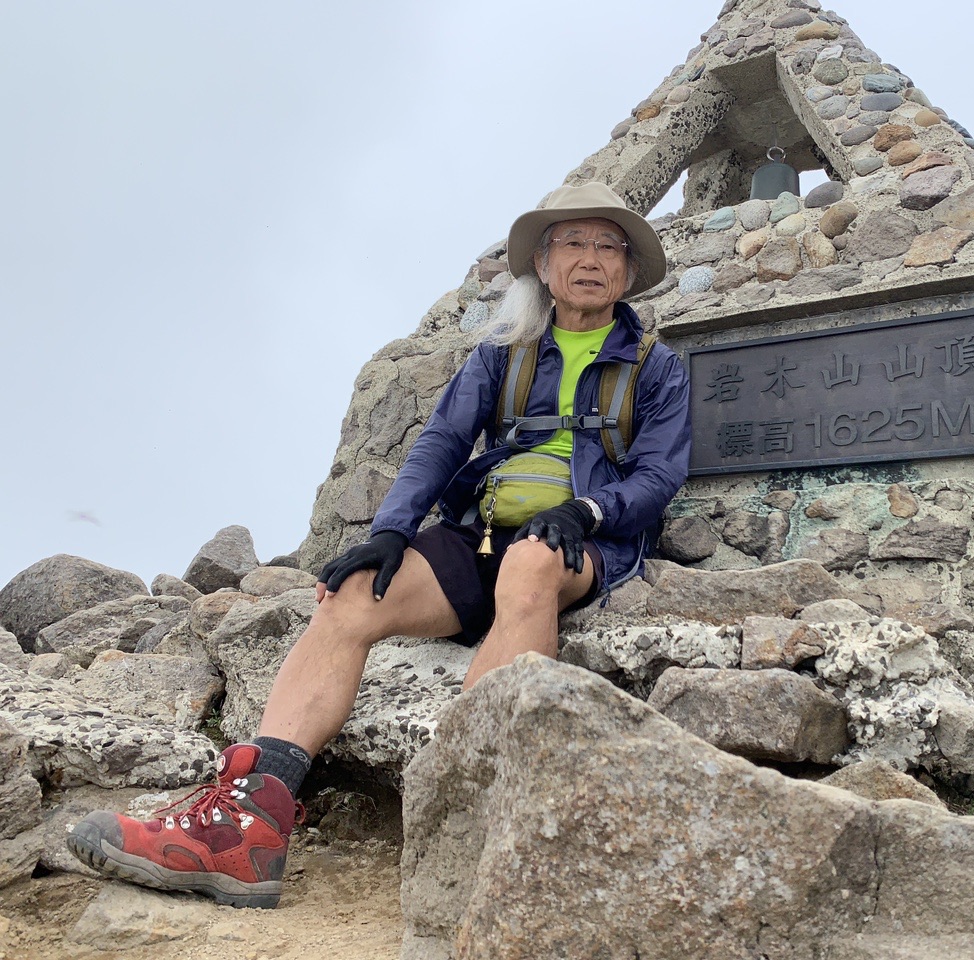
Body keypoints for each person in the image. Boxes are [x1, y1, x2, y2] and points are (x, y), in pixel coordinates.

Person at [67, 182, 692, 908]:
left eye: (607, 246)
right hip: (477, 535)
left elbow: (659, 474)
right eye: (574, 244)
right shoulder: (502, 356)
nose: (591, 259)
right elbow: (441, 443)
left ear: (627, 269)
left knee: (529, 565)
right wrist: (392, 529)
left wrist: (586, 510)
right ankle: (246, 829)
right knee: (353, 596)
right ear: (544, 266)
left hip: (573, 544)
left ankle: (465, 820)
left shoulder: (656, 366)